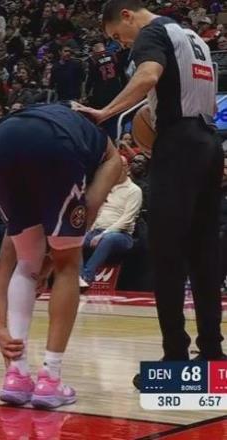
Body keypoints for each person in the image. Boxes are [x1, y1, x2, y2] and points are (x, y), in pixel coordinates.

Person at [75, 0, 227, 385]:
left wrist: (104, 112)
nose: (122, 43)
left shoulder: (152, 33)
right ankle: (213, 352)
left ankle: (175, 357)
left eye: (118, 36)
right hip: (209, 143)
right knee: (205, 252)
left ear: (127, 16)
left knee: (167, 253)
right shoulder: (193, 37)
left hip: (178, 145)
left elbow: (147, 75)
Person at [0, 103, 121, 409]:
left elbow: (4, 263)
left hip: (1, 139)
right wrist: (57, 259)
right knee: (69, 265)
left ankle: (16, 374)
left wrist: (0, 328)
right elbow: (86, 215)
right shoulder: (110, 155)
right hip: (54, 143)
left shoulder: (45, 119)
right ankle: (50, 378)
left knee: (25, 262)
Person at [80, 156, 142, 287]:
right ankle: (78, 277)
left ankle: (87, 276)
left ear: (126, 169)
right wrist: (89, 229)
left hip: (121, 235)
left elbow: (127, 219)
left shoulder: (134, 190)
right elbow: (95, 210)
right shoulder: (105, 187)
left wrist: (104, 233)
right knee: (75, 239)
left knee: (108, 239)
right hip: (96, 230)